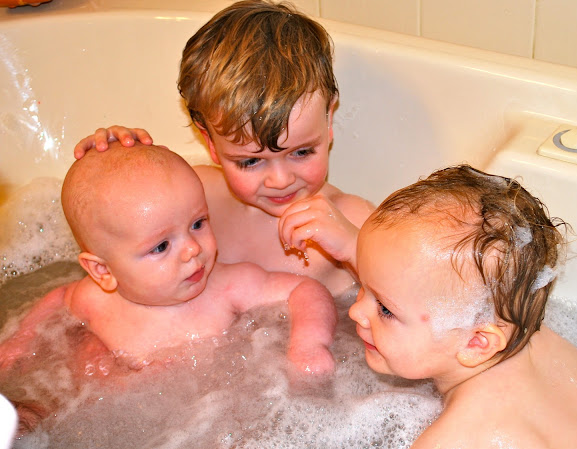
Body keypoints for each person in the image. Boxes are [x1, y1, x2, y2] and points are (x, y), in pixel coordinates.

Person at [73, 0, 375, 297]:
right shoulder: (193, 195)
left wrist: (352, 248)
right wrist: (117, 163)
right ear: (209, 141)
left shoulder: (352, 220)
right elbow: (115, 230)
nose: (280, 180)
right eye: (250, 162)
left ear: (329, 117)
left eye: (302, 152)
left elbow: (402, 301)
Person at [348, 165, 577, 449]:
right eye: (362, 285)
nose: (356, 312)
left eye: (385, 309)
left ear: (476, 343)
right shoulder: (543, 342)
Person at [0, 142, 337, 376]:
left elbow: (304, 290)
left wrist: (309, 344)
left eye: (198, 223)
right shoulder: (94, 299)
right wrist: (22, 340)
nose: (192, 249)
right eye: (161, 246)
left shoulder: (227, 286)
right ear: (102, 271)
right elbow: (59, 297)